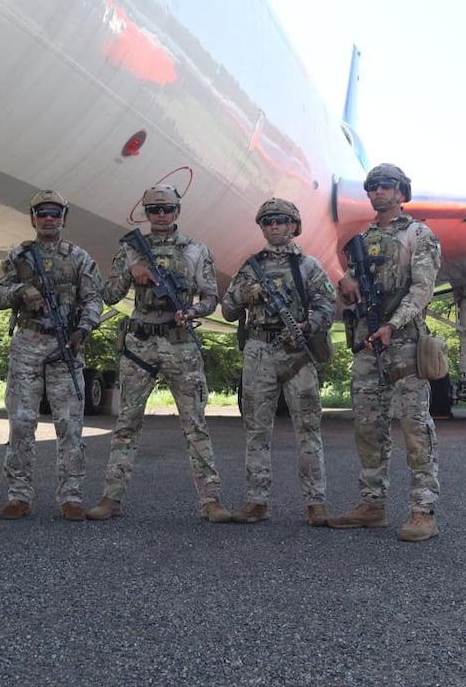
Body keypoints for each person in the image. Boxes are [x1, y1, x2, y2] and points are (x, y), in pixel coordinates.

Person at [86, 184, 231, 523]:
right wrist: (129, 272)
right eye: (154, 210)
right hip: (140, 342)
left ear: (177, 212)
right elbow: (109, 294)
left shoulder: (196, 250)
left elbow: (211, 297)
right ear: (146, 214)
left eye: (166, 209)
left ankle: (211, 501)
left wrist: (193, 313)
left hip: (180, 341)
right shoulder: (130, 249)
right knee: (126, 424)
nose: (161, 215)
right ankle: (111, 498)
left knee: (195, 424)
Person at [330, 163, 442, 542]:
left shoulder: (418, 235)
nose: (377, 191)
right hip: (368, 344)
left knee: (415, 429)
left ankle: (423, 510)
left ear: (401, 191)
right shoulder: (362, 240)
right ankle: (372, 505)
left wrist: (394, 324)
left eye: (386, 185)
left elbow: (422, 289)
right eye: (372, 186)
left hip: (406, 343)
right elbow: (353, 289)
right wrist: (345, 284)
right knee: (367, 428)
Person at [221, 198, 336, 527]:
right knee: (257, 430)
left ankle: (316, 503)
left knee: (308, 430)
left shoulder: (308, 266)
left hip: (297, 354)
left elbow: (327, 305)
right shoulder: (250, 266)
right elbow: (228, 310)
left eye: (281, 221)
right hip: (259, 351)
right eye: (268, 221)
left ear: (293, 226)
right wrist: (247, 293)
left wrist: (308, 326)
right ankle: (257, 501)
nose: (274, 226)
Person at [0, 190, 102, 521]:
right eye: (42, 213)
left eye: (55, 213)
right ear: (33, 218)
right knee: (22, 423)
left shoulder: (78, 257)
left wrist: (83, 329)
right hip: (28, 342)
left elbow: (94, 298)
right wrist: (21, 291)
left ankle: (71, 495)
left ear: (64, 217)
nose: (49, 218)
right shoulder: (18, 255)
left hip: (65, 345)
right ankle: (18, 495)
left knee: (69, 425)